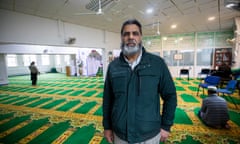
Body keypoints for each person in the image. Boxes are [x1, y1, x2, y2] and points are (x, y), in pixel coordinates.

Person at [102, 19, 177, 144]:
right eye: (126, 34)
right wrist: (107, 127)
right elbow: (108, 100)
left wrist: (166, 125)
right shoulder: (113, 67)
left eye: (135, 33)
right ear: (122, 37)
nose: (131, 37)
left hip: (149, 135)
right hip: (120, 135)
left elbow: (170, 96)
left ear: (140, 37)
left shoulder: (157, 64)